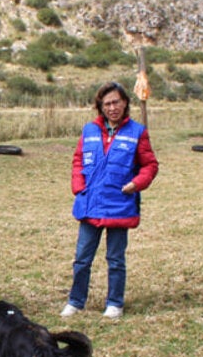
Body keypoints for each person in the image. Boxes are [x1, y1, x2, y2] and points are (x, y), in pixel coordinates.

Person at [62, 81, 159, 320]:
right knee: (82, 258)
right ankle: (76, 301)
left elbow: (150, 165)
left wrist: (136, 184)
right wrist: (78, 187)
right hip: (90, 203)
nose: (112, 107)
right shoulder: (89, 130)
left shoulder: (137, 132)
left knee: (115, 259)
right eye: (107, 104)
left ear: (125, 103)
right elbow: (77, 161)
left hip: (120, 205)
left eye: (116, 102)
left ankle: (114, 303)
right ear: (100, 107)